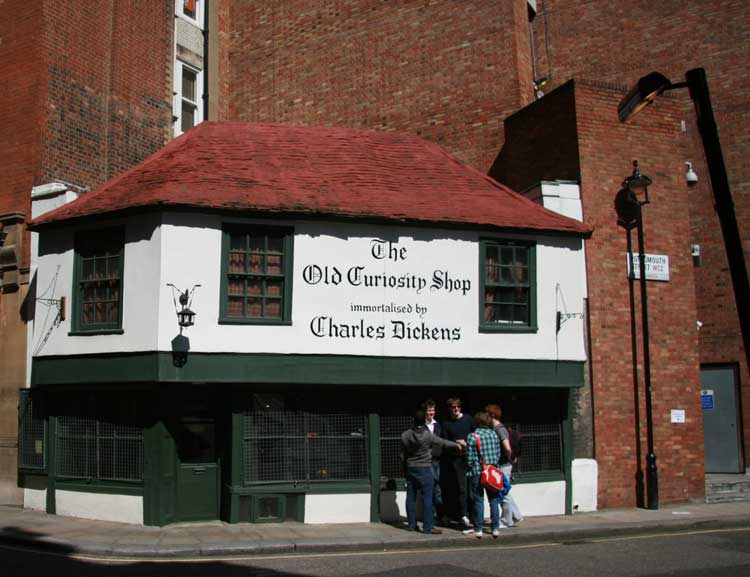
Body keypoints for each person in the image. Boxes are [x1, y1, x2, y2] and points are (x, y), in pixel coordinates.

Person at [400, 409, 463, 534]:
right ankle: (428, 527)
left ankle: (411, 525)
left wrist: (404, 468)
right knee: (427, 498)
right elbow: (442, 443)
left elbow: (402, 455)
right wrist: (456, 444)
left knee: (410, 497)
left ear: (413, 420)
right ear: (424, 420)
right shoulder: (427, 435)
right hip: (424, 468)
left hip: (411, 468)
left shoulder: (405, 435)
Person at [463, 411, 502, 539]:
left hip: (477, 471)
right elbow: (498, 454)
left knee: (478, 500)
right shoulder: (494, 434)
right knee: (494, 500)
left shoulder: (472, 436)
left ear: (477, 423)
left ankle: (478, 529)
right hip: (492, 471)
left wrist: (469, 466)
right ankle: (495, 528)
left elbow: (469, 458)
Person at [486, 403, 523, 527]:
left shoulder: (499, 429)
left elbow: (507, 447)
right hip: (503, 464)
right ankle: (516, 516)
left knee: (503, 492)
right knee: (505, 490)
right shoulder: (497, 428)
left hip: (503, 464)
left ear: (492, 415)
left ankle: (506, 520)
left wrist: (510, 459)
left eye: (487, 414)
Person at [440, 397, 474, 527]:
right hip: (455, 459)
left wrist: (466, 444)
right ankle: (463, 514)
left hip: (469, 457)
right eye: (453, 407)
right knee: (461, 488)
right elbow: (444, 441)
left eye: (458, 407)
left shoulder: (468, 419)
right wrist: (455, 445)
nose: (456, 409)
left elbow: (475, 436)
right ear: (449, 409)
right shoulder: (446, 423)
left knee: (473, 487)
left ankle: (474, 514)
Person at [422, 399, 443, 518]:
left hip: (436, 460)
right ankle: (429, 515)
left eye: (433, 410)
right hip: (425, 460)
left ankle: (438, 514)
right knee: (429, 487)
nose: (431, 412)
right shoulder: (421, 426)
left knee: (437, 487)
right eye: (429, 410)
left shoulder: (437, 425)